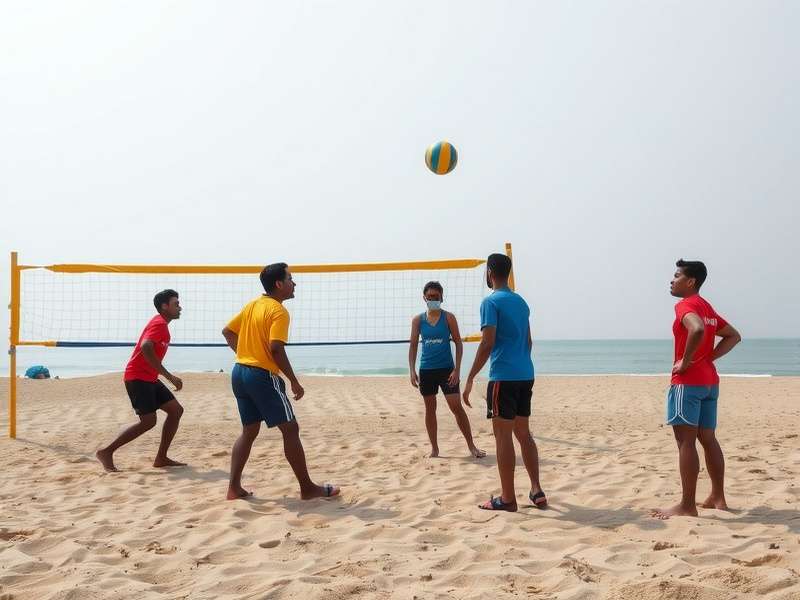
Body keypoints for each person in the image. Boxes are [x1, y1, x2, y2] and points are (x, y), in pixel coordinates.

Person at [222, 262, 340, 501]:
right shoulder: (278, 311)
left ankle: (234, 488)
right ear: (279, 284)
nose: (294, 283)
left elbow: (227, 331)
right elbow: (276, 349)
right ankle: (307, 488)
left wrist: (245, 354)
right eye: (290, 279)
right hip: (260, 376)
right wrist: (294, 381)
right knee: (291, 428)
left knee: (249, 430)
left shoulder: (253, 305)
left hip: (239, 372)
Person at [652, 259, 741, 519]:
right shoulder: (707, 307)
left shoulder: (686, 305)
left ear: (690, 282)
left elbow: (697, 328)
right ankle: (718, 497)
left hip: (688, 383)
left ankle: (687, 506)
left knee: (685, 442)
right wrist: (708, 358)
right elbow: (734, 335)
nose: (672, 279)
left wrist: (687, 361)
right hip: (709, 382)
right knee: (708, 438)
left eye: (677, 275)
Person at [463, 253, 546, 512]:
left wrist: (470, 376)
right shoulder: (521, 302)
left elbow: (487, 342)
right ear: (508, 273)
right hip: (525, 374)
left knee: (502, 437)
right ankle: (536, 489)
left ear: (489, 272)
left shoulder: (491, 302)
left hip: (504, 377)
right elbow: (529, 342)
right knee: (524, 434)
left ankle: (508, 499)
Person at [96, 289, 185, 472]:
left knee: (175, 410)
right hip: (137, 377)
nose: (180, 307)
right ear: (164, 306)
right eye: (176, 304)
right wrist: (169, 376)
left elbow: (149, 352)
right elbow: (146, 347)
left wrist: (162, 375)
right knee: (148, 421)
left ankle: (161, 457)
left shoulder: (162, 324)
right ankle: (106, 451)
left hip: (149, 378)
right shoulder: (159, 323)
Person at [409, 281, 485, 459]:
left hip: (447, 370)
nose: (433, 299)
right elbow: (413, 346)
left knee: (456, 408)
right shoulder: (418, 320)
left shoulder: (449, 317)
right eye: (430, 297)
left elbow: (458, 343)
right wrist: (412, 370)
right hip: (427, 370)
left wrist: (457, 370)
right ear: (424, 298)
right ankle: (435, 449)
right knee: (430, 409)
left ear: (442, 297)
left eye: (436, 297)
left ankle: (472, 446)